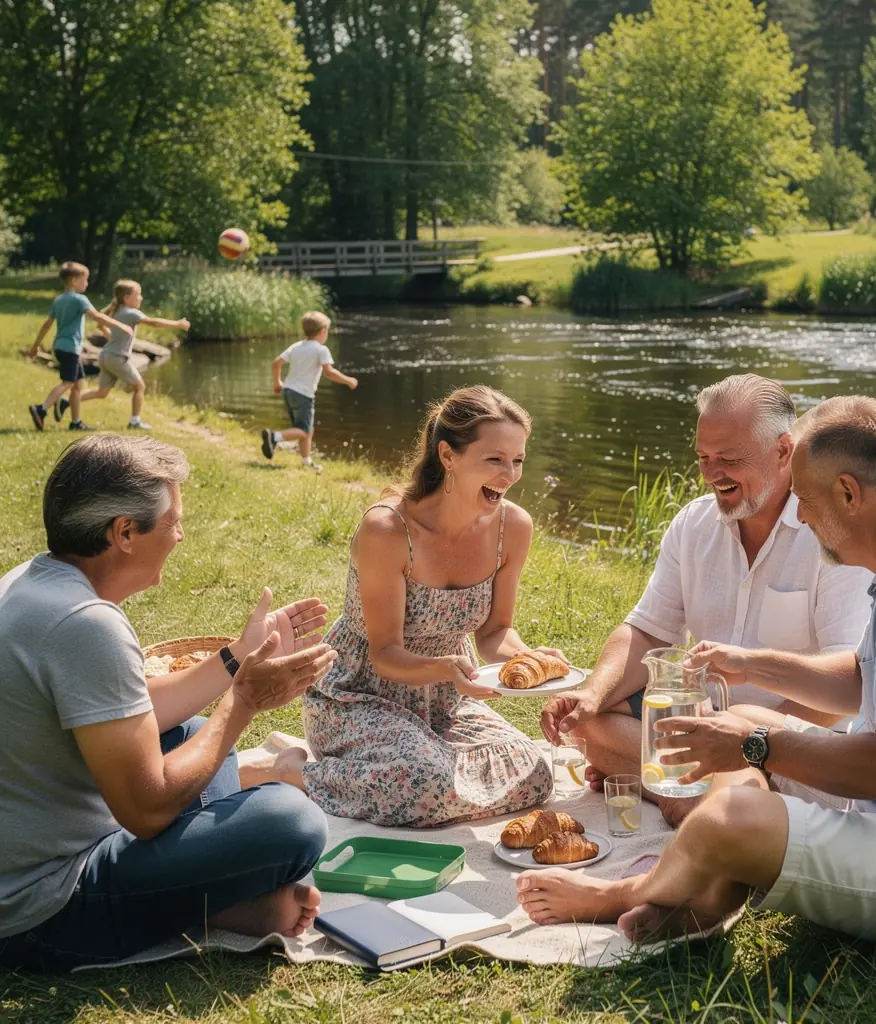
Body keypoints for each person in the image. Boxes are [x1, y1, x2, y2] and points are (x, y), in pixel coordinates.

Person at [517, 396, 876, 951]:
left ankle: (620, 893)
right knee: (745, 718)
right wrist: (749, 663)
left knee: (731, 812)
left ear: (848, 493)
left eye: (805, 499)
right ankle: (707, 893)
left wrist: (757, 746)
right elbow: (864, 681)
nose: (801, 515)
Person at [0, 434, 338, 972]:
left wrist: (237, 657)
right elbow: (149, 811)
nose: (180, 536)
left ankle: (218, 896)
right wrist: (244, 703)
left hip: (34, 856)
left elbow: (132, 712)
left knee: (193, 737)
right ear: (125, 532)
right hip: (42, 909)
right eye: (173, 521)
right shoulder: (86, 625)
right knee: (291, 821)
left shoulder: (36, 582)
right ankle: (221, 902)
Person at [540, 375, 871, 825]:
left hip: (788, 740)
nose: (712, 473)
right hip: (704, 723)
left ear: (782, 451)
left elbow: (843, 687)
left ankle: (681, 788)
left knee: (627, 745)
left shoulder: (830, 536)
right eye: (703, 458)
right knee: (591, 722)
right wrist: (592, 695)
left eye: (730, 459)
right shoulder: (693, 524)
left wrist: (747, 744)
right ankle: (701, 795)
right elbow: (648, 629)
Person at [246, 386, 558, 826]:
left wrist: (528, 658)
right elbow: (385, 654)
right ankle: (292, 771)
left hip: (445, 701)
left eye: (517, 460)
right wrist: (447, 668)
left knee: (534, 772)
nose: (509, 475)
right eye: (494, 460)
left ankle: (415, 764)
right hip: (360, 695)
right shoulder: (387, 530)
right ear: (448, 455)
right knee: (425, 783)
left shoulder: (513, 527)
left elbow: (494, 633)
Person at [27, 262, 131, 432]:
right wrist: (121, 326)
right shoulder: (79, 299)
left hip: (60, 346)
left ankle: (75, 422)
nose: (87, 283)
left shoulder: (59, 300)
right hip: (70, 349)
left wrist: (35, 346)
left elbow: (47, 325)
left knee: (78, 385)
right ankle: (41, 409)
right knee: (68, 382)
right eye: (85, 280)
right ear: (75, 281)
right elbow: (97, 316)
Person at [77, 279, 191, 430]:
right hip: (117, 358)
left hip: (105, 355)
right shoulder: (130, 313)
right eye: (138, 295)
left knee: (102, 392)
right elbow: (153, 322)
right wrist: (177, 324)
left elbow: (100, 324)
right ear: (127, 298)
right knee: (139, 387)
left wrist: (112, 338)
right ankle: (135, 421)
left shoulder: (116, 311)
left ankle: (68, 401)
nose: (141, 298)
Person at [261, 311, 358, 472]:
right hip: (303, 395)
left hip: (288, 391)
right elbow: (329, 372)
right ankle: (274, 437)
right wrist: (349, 380)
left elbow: (276, 363)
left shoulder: (297, 346)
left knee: (305, 428)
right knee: (304, 430)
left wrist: (277, 382)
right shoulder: (321, 350)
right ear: (323, 332)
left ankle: (307, 461)